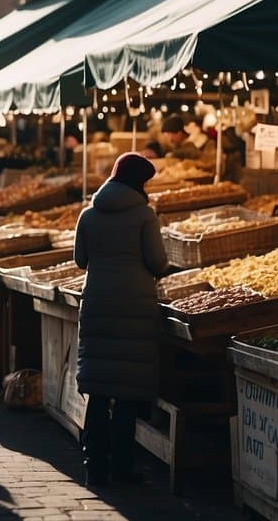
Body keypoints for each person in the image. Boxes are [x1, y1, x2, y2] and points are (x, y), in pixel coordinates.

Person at [73, 153, 168, 486]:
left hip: (97, 302)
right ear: (138, 182)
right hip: (134, 305)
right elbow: (157, 262)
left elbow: (80, 260)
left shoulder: (87, 214)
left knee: (98, 390)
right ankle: (122, 468)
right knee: (127, 390)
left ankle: (94, 464)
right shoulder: (145, 215)